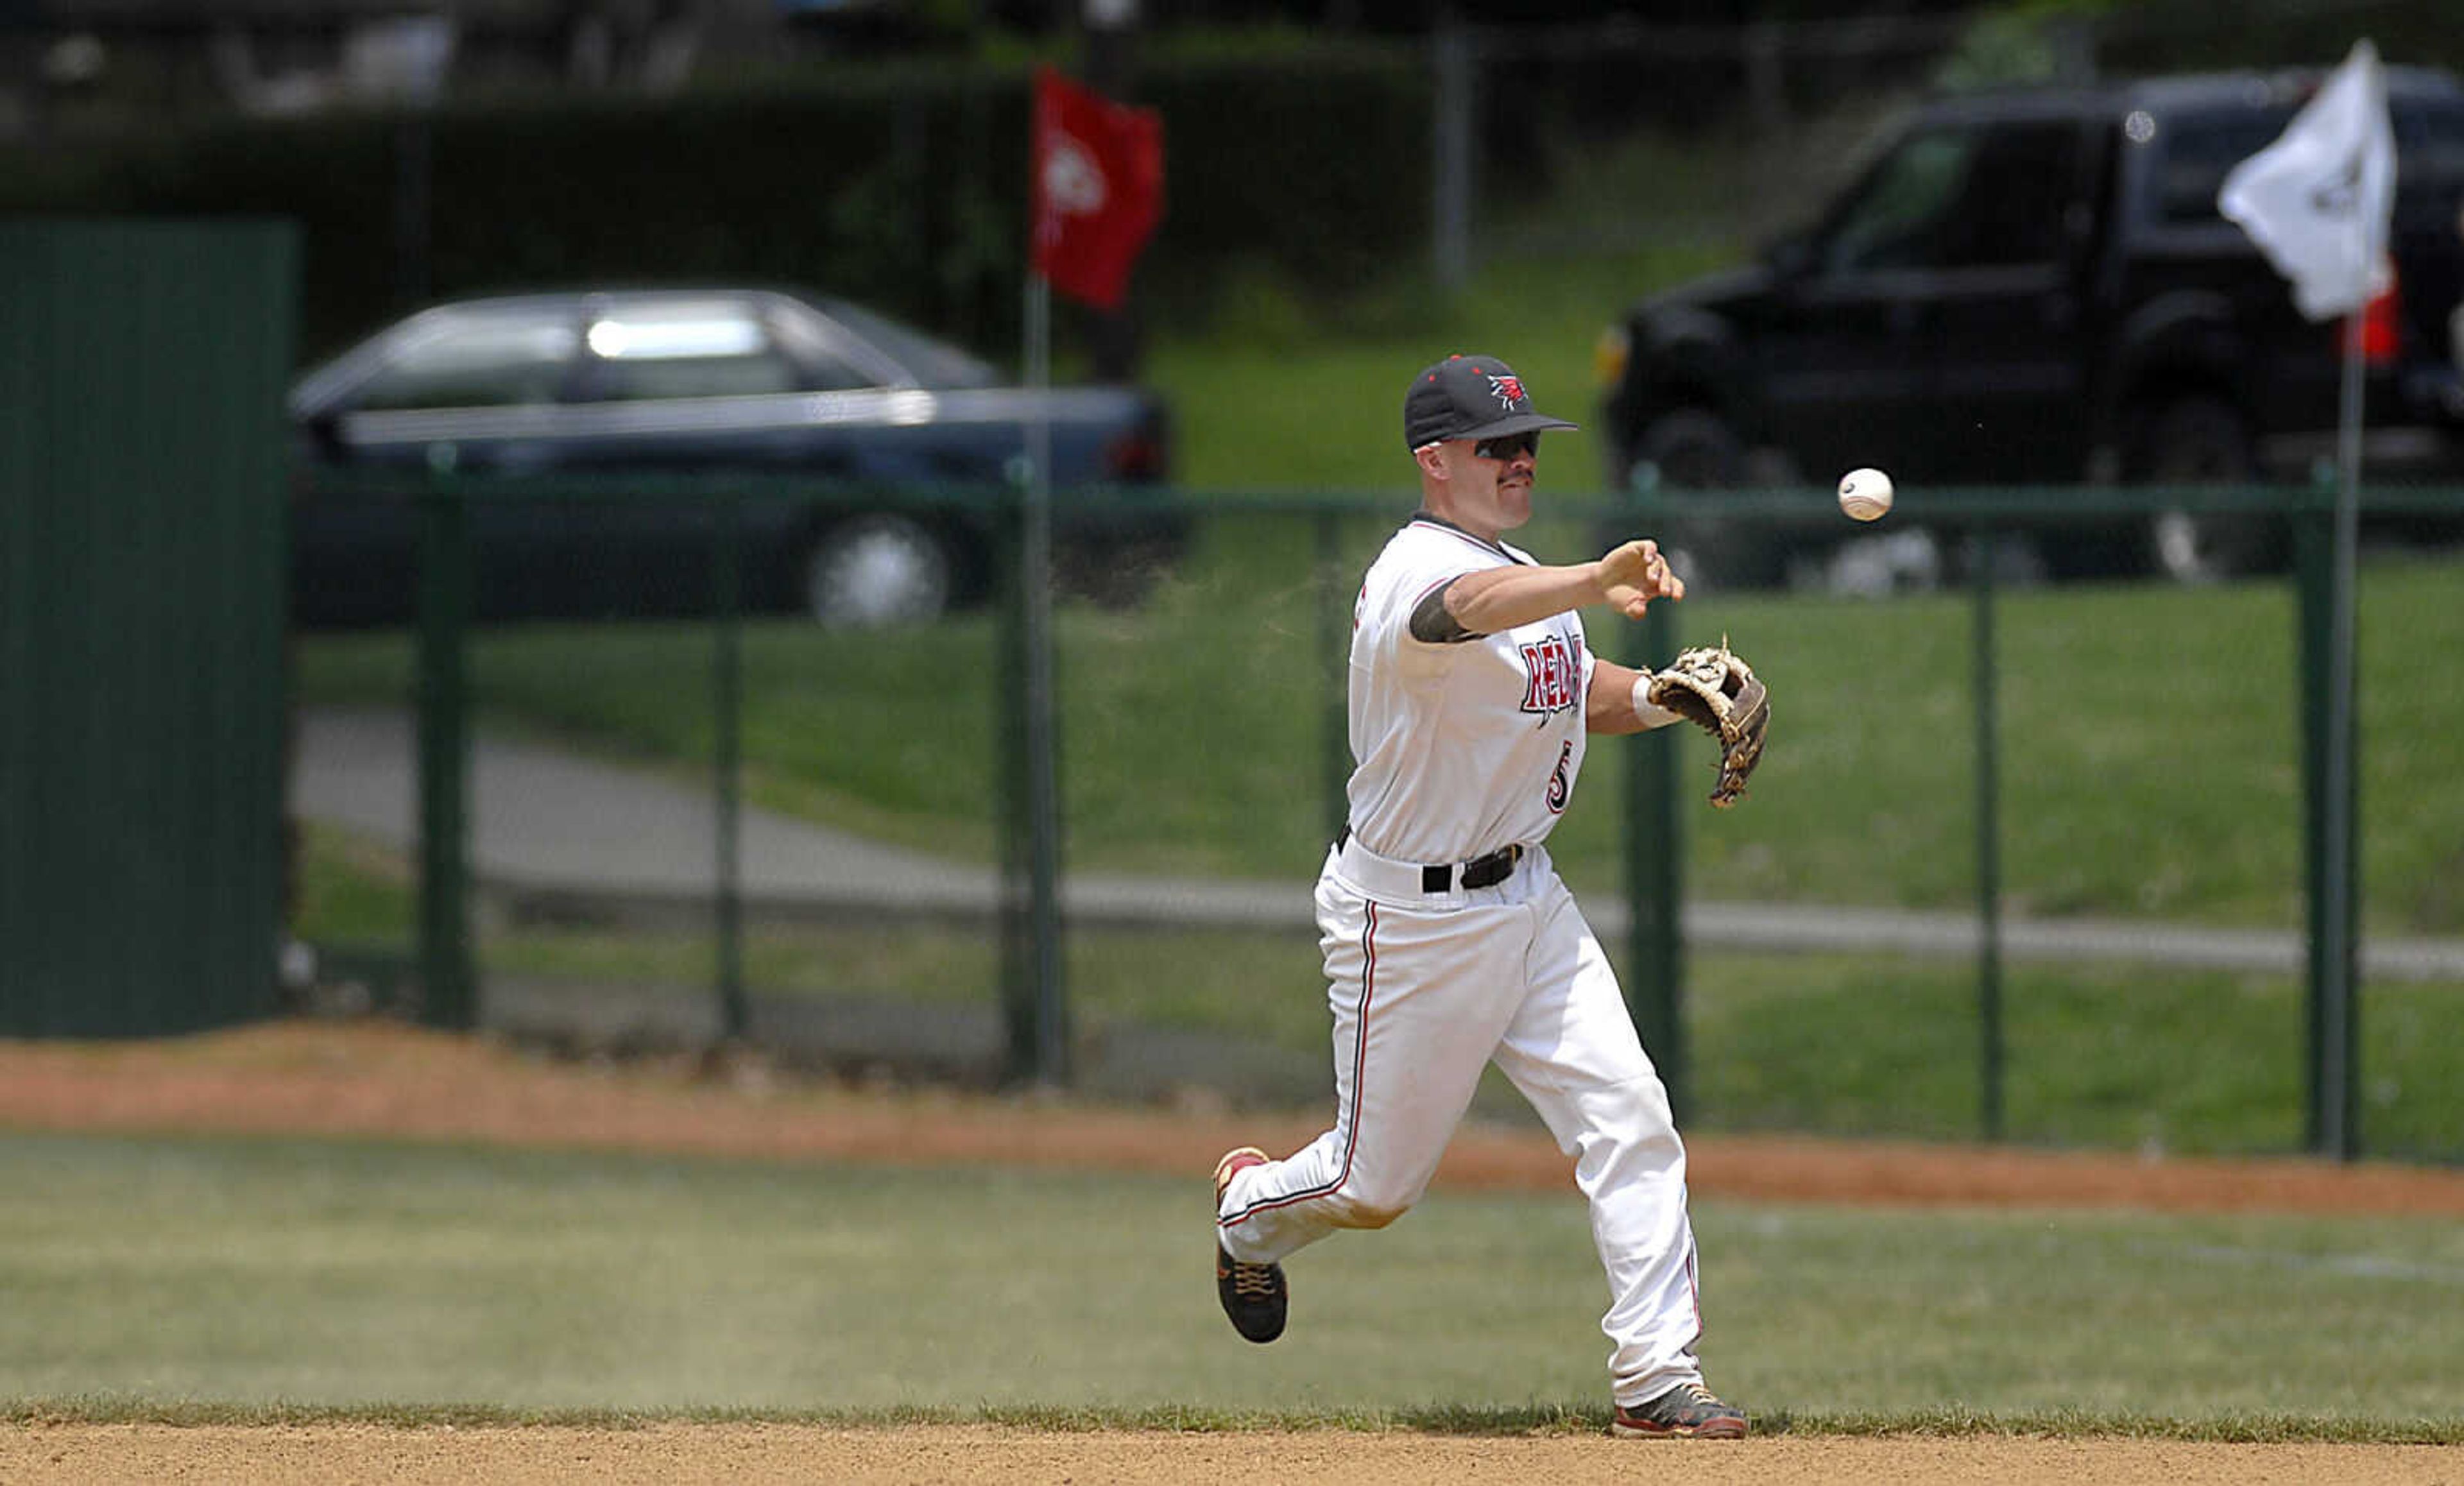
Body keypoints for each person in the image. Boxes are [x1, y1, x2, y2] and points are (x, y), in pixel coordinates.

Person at [1210, 353, 1747, 1440]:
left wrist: (1655, 695)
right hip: (1408, 919)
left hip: (1528, 897)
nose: (1520, 461)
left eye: (1529, 443)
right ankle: (1245, 1215)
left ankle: (1655, 1379)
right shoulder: (1419, 570)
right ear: (1434, 460)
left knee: (1630, 1116)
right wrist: (1597, 579)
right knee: (1372, 1188)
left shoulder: (1523, 573)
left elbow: (1558, 688)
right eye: (1497, 445)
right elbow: (1461, 614)